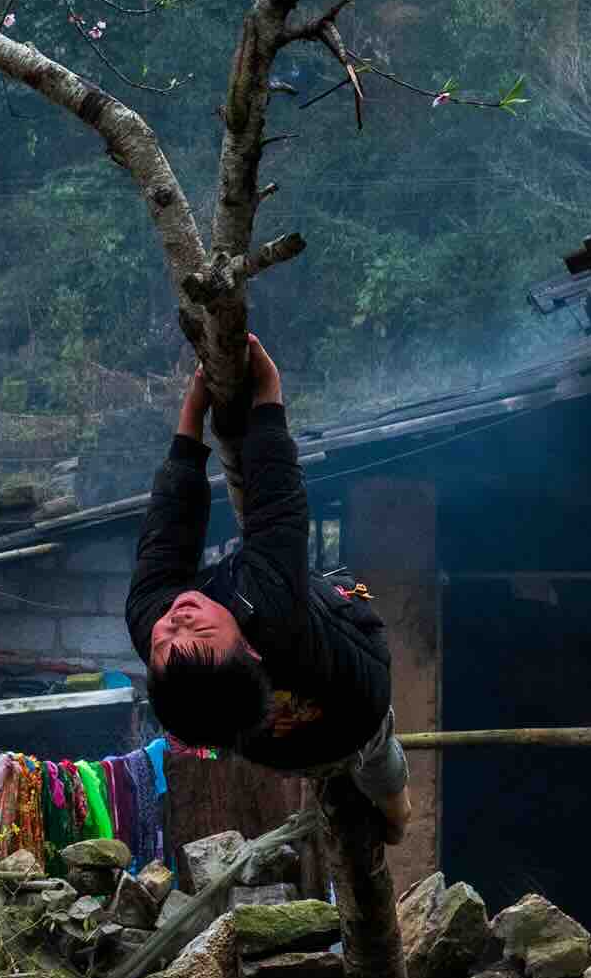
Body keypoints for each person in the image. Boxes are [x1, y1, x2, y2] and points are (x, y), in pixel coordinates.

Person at [124, 334, 409, 832]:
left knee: (324, 762)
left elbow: (167, 531)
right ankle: (398, 811)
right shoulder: (272, 612)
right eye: (201, 633)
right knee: (379, 751)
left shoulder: (154, 629)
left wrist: (191, 419)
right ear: (251, 651)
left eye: (167, 637)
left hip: (279, 751)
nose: (177, 619)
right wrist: (269, 391)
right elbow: (276, 506)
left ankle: (354, 797)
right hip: (354, 714)